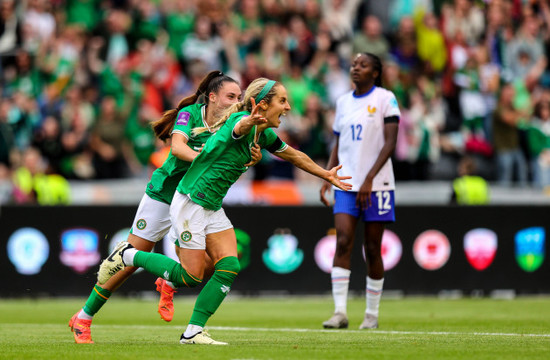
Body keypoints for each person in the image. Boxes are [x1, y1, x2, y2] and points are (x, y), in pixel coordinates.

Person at [97, 77, 352, 345]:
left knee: (229, 264)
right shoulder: (239, 122)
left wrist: (326, 174)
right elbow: (239, 127)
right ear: (262, 104)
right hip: (192, 201)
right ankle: (129, 254)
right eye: (282, 101)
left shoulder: (263, 133)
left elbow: (294, 155)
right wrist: (249, 121)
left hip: (211, 205)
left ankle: (193, 331)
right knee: (190, 276)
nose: (288, 107)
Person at [68, 70, 262, 344]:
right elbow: (178, 148)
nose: (236, 101)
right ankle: (83, 318)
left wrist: (250, 159)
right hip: (165, 194)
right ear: (212, 96)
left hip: (198, 200)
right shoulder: (190, 114)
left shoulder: (234, 123)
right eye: (231, 96)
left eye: (239, 97)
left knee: (213, 262)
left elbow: (232, 164)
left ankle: (169, 281)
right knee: (129, 262)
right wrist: (205, 162)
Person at [320, 52, 400, 330]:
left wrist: (369, 179)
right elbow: (338, 142)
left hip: (377, 186)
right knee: (342, 240)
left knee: (373, 248)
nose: (356, 69)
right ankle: (340, 312)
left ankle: (371, 314)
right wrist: (326, 175)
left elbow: (390, 144)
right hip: (346, 183)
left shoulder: (385, 99)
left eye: (363, 65)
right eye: (354, 65)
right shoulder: (343, 102)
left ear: (375, 73)